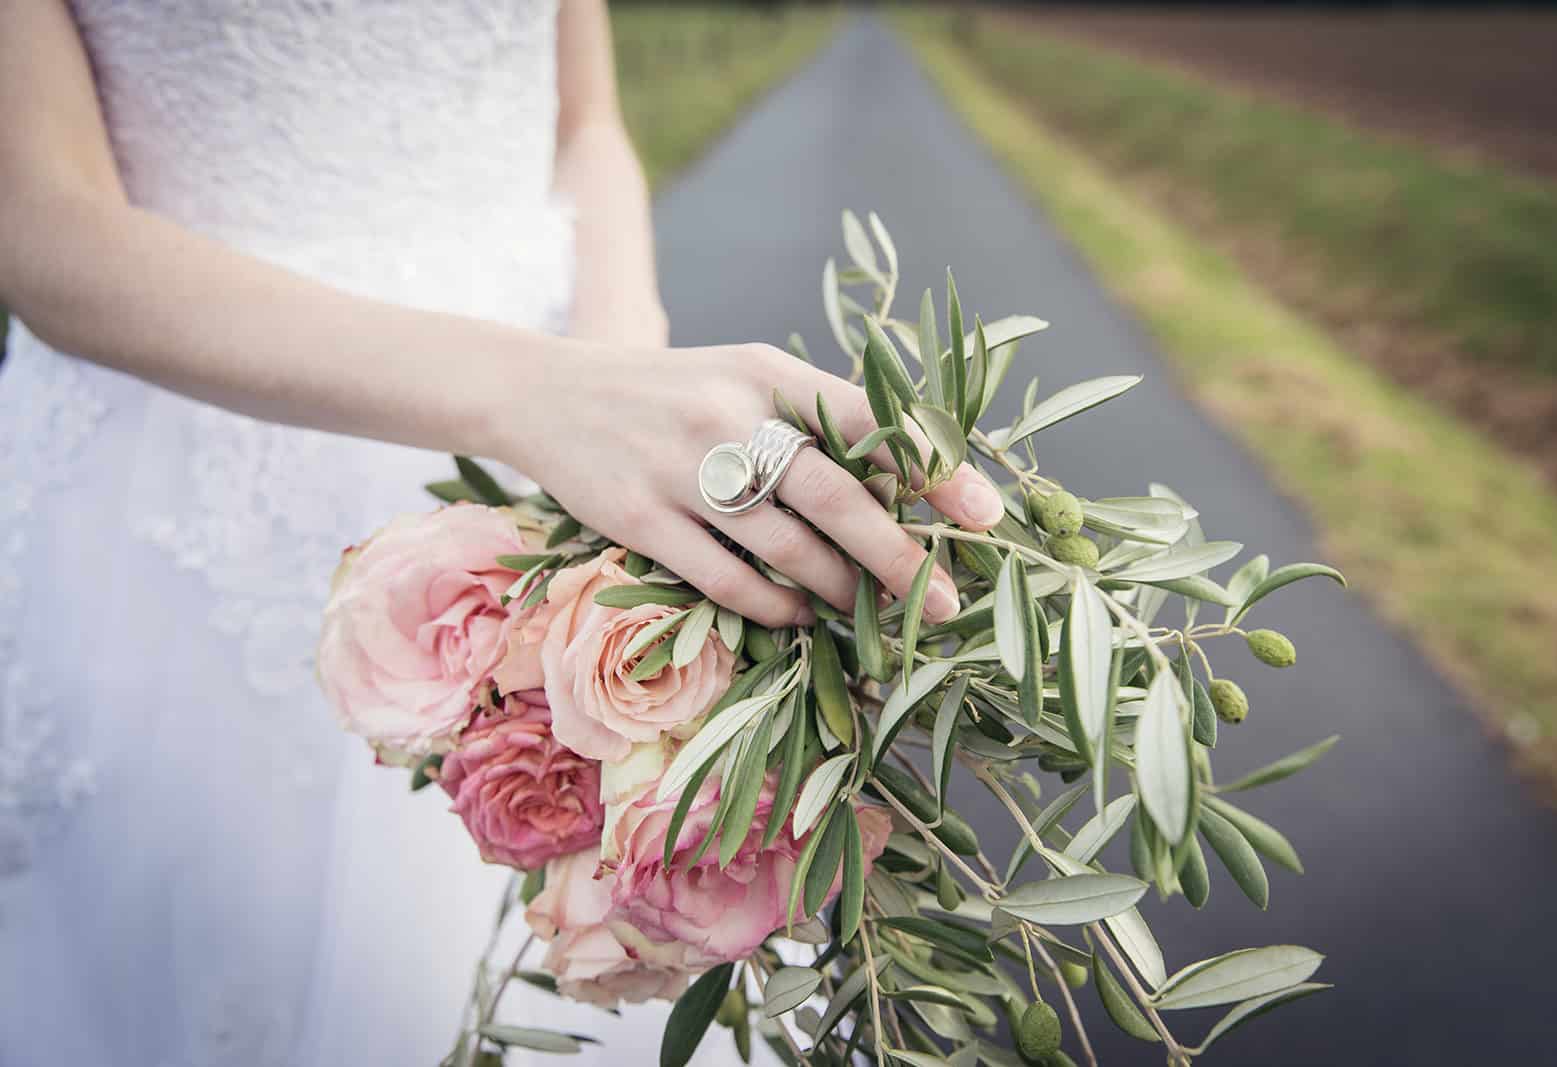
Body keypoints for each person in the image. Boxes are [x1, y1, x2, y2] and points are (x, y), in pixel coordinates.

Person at [0, 1, 1004, 1062]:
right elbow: (41, 225)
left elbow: (590, 125)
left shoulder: (588, 393)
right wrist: (537, 396)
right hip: (193, 455)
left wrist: (621, 378)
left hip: (556, 386)